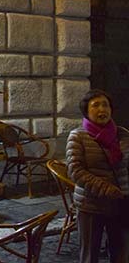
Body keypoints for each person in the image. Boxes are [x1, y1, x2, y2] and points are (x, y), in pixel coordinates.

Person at [66, 89, 129, 263]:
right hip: (91, 204)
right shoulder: (78, 136)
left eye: (106, 105)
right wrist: (106, 189)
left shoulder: (122, 134)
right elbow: (75, 171)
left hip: (120, 203)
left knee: (120, 251)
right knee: (89, 254)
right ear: (86, 111)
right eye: (96, 105)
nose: (102, 109)